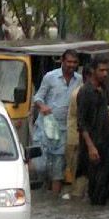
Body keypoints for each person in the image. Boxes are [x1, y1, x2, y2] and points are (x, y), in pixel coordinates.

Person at [77, 55, 109, 206]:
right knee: (97, 188)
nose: (105, 74)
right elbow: (81, 123)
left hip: (106, 144)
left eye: (107, 70)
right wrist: (91, 147)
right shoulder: (85, 92)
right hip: (94, 147)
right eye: (101, 70)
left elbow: (107, 101)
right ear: (92, 70)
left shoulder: (102, 88)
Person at [33, 49, 82, 195]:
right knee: (39, 166)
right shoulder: (50, 77)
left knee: (58, 170)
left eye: (74, 62)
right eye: (69, 62)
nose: (71, 65)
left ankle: (54, 200)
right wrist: (42, 106)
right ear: (62, 61)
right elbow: (37, 98)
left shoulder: (79, 80)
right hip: (45, 128)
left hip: (64, 130)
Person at [65, 65, 92, 199]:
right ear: (88, 77)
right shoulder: (80, 94)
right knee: (79, 179)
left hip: (80, 139)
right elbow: (89, 117)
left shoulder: (90, 92)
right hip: (77, 140)